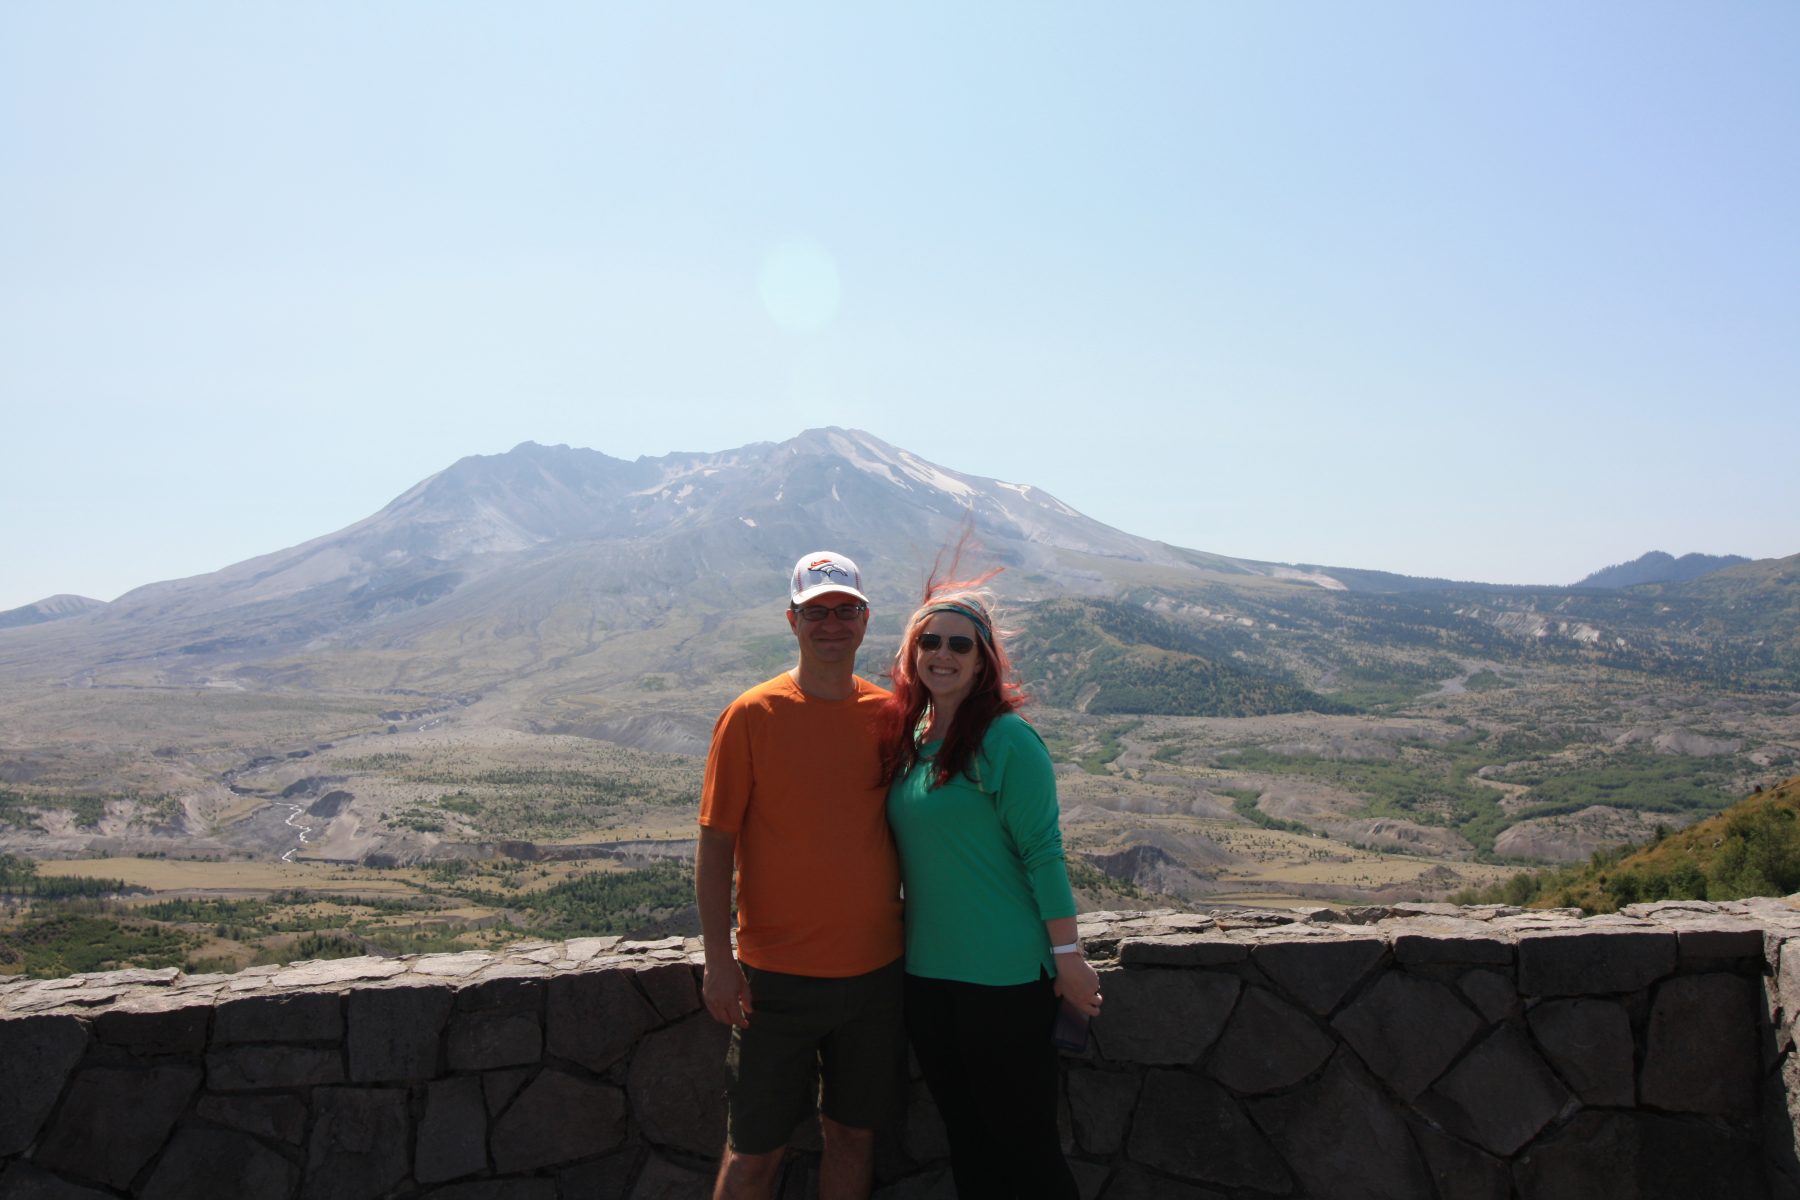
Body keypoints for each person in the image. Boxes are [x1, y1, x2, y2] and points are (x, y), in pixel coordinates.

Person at [878, 570, 1103, 1199]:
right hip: (928, 977)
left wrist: (1068, 958)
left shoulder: (1007, 740)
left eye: (959, 644)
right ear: (912, 653)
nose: (942, 655)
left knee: (1025, 1145)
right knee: (967, 1140)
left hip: (1005, 979)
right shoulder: (913, 740)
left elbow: (1043, 853)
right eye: (930, 642)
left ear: (984, 660)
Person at [696, 551, 905, 1200]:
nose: (831, 624)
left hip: (875, 977)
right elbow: (715, 845)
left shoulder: (891, 715)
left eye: (845, 610)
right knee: (754, 1150)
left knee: (853, 1137)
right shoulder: (752, 716)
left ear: (866, 620)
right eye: (817, 612)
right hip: (775, 982)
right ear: (792, 621)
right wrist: (718, 960)